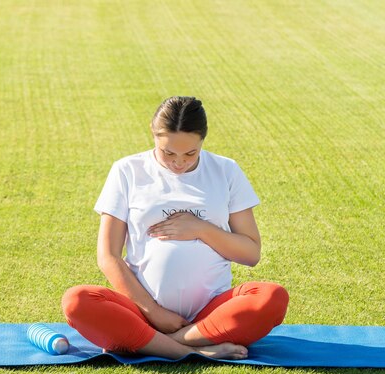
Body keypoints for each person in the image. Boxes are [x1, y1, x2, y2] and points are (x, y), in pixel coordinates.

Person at [62, 96, 289, 360]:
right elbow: (108, 256)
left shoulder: (226, 170)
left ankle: (163, 344)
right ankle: (196, 351)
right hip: (142, 312)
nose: (178, 163)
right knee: (77, 300)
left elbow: (251, 253)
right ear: (154, 136)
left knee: (271, 297)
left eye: (190, 154)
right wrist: (153, 312)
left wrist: (200, 228)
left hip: (211, 315)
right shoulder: (127, 170)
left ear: (202, 140)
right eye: (168, 152)